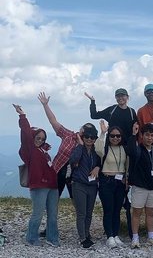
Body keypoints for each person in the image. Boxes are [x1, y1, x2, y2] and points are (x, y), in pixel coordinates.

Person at [14, 104, 59, 247]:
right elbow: (26, 133)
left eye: (42, 138)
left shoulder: (42, 151)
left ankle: (52, 238)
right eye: (37, 137)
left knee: (53, 215)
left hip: (52, 185)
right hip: (39, 186)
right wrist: (22, 115)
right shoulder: (30, 150)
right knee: (37, 214)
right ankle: (32, 238)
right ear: (33, 137)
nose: (40, 140)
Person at [126, 123, 153, 249]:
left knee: (150, 213)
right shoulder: (137, 149)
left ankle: (151, 237)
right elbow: (130, 151)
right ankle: (135, 238)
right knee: (136, 213)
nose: (149, 138)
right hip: (140, 187)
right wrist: (133, 134)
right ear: (142, 136)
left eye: (152, 135)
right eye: (147, 135)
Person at [95, 121, 128, 248]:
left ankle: (115, 235)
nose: (115, 138)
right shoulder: (105, 148)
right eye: (112, 136)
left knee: (117, 210)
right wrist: (103, 133)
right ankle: (109, 236)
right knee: (108, 210)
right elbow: (97, 149)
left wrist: (126, 178)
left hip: (120, 182)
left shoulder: (123, 148)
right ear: (109, 137)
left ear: (121, 137)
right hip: (107, 181)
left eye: (118, 136)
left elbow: (127, 165)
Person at [69, 123, 101, 249]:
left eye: (92, 137)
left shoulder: (96, 151)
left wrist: (98, 167)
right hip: (79, 184)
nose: (89, 139)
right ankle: (82, 238)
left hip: (92, 185)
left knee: (89, 213)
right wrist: (80, 146)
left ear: (95, 138)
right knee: (81, 213)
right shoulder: (79, 148)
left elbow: (100, 162)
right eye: (87, 136)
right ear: (83, 137)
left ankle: (86, 234)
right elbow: (73, 160)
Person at [38, 92, 74, 200]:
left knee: (77, 201)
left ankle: (81, 217)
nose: (88, 138)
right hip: (57, 170)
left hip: (74, 176)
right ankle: (51, 216)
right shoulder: (69, 135)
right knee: (53, 199)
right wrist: (45, 105)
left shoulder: (89, 143)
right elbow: (53, 121)